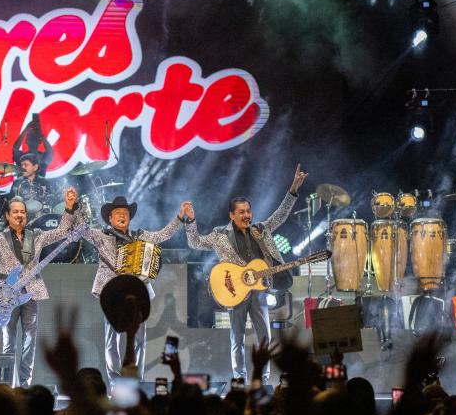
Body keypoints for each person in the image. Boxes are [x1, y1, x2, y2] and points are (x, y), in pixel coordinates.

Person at [186, 165, 307, 384]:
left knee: (266, 338)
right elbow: (194, 242)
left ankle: (264, 379)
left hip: (260, 290)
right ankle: (239, 379)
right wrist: (190, 221)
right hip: (235, 291)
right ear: (232, 215)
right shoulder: (220, 235)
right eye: (241, 212)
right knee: (237, 338)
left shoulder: (260, 229)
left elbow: (280, 215)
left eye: (248, 211)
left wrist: (293, 189)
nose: (246, 215)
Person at [0, 184, 78, 387]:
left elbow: (62, 231)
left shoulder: (37, 235)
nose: (20, 215)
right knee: (8, 341)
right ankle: (9, 384)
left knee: (30, 340)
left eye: (22, 212)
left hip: (30, 292)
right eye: (15, 212)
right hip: (5, 295)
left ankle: (25, 384)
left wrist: (68, 207)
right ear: (7, 216)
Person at [80, 195, 193, 385]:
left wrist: (180, 218)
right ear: (110, 218)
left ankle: (135, 380)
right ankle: (116, 381)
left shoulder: (140, 236)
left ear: (129, 217)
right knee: (111, 339)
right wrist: (73, 208)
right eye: (117, 214)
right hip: (112, 292)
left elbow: (162, 235)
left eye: (125, 213)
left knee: (140, 338)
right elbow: (81, 231)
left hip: (136, 292)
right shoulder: (101, 236)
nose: (122, 216)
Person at [9, 114, 54, 216]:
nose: (31, 140)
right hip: (21, 193)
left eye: (34, 138)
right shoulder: (22, 157)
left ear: (38, 141)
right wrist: (26, 129)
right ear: (26, 141)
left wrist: (41, 135)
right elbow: (15, 148)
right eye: (30, 137)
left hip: (40, 195)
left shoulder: (41, 157)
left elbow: (50, 153)